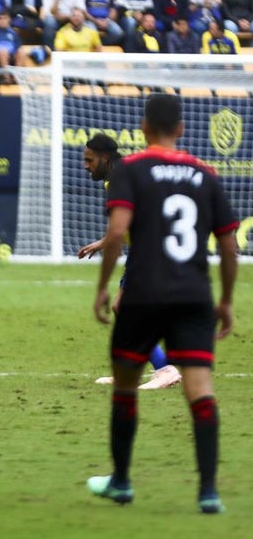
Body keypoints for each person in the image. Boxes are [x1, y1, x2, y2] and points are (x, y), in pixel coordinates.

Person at [88, 94, 238, 515]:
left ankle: (121, 482)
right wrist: (225, 299)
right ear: (183, 128)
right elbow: (228, 243)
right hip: (193, 294)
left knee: (124, 388)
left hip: (144, 294)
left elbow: (119, 232)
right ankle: (208, 492)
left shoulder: (132, 169)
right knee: (201, 392)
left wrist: (103, 286)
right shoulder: (204, 172)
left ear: (143, 128)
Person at [78, 134, 182, 390]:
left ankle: (165, 369)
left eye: (89, 160)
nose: (86, 165)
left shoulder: (121, 179)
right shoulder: (121, 176)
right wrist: (103, 242)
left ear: (104, 157)